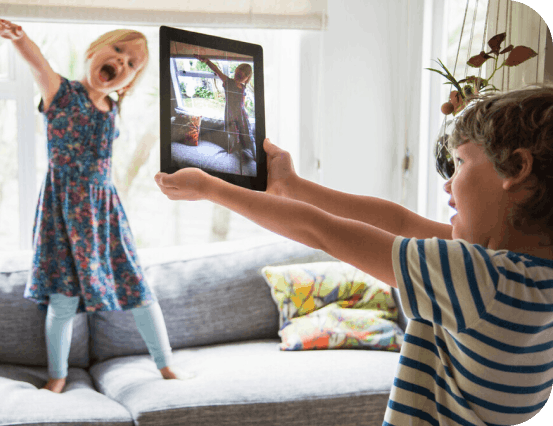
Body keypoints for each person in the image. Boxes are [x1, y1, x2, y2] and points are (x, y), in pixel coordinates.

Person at [154, 85, 553, 426]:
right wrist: (291, 185)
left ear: (516, 168)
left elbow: (322, 232)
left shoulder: (480, 279)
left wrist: (212, 189)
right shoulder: (523, 278)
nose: (448, 185)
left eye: (461, 163)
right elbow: (397, 221)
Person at [0, 15, 184, 393]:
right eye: (119, 51)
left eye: (132, 64)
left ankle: (166, 364)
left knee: (139, 291)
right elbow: (38, 63)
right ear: (94, 53)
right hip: (62, 210)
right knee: (63, 301)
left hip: (104, 211)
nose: (123, 62)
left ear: (127, 83)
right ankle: (57, 376)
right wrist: (20, 39)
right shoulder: (60, 92)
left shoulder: (113, 108)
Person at [195, 55, 255, 161]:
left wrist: (244, 112)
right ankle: (233, 151)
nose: (239, 76)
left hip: (242, 116)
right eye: (238, 74)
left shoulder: (244, 88)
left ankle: (254, 154)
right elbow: (217, 70)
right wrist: (207, 61)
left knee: (247, 135)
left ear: (247, 78)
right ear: (235, 72)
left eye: (242, 76)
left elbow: (243, 103)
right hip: (231, 115)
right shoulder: (228, 82)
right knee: (232, 135)